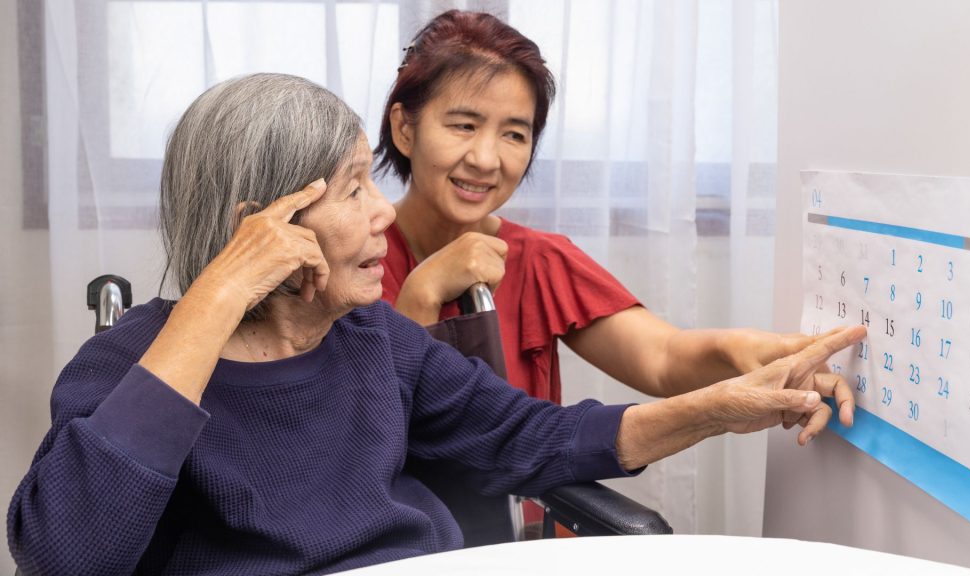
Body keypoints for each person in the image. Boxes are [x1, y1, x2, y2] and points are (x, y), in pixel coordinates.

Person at [7, 73, 864, 576]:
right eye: (352, 189)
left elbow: (542, 440)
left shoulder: (376, 342)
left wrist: (728, 405)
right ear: (260, 229)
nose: (383, 216)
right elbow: (67, 556)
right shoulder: (123, 370)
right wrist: (211, 304)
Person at [377, 9, 854, 423]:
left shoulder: (541, 260)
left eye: (515, 135)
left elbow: (662, 359)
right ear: (404, 128)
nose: (486, 158)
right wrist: (422, 293)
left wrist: (749, 353)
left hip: (524, 521)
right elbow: (361, 432)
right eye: (464, 125)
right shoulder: (353, 261)